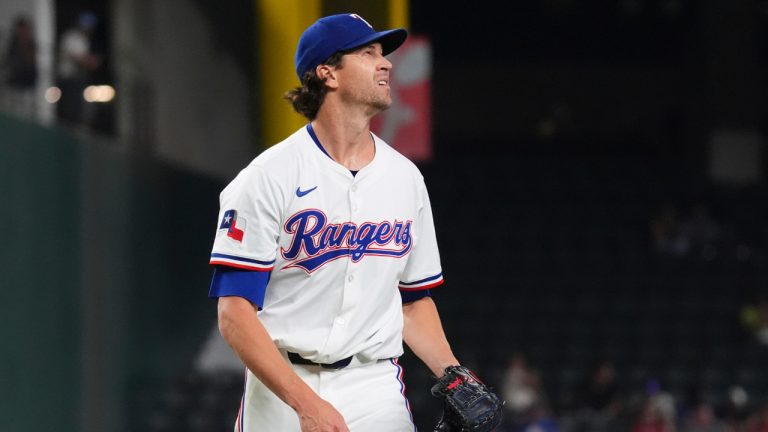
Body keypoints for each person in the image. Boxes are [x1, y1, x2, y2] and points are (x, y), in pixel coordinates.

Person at [208, 13, 484, 431]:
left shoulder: (405, 178)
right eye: (368, 53)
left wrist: (454, 374)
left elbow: (412, 301)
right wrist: (305, 404)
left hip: (373, 382)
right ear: (327, 73)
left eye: (383, 54)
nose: (386, 63)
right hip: (284, 382)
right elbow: (234, 312)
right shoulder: (267, 176)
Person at [56, 11, 101, 127]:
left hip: (80, 78)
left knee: (82, 111)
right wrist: (89, 61)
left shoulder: (84, 40)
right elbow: (72, 57)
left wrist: (90, 60)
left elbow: (85, 58)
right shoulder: (70, 37)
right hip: (68, 79)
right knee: (69, 112)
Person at [2, 16, 38, 120]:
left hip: (28, 82)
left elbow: (32, 62)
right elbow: (8, 61)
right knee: (13, 110)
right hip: (14, 82)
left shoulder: (31, 44)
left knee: (27, 111)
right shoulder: (12, 44)